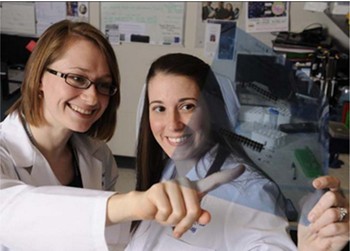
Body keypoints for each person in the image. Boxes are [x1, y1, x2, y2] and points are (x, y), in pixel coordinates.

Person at [0, 20, 242, 251]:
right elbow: (9, 212)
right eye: (77, 78)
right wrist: (134, 203)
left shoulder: (98, 154)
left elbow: (103, 236)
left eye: (103, 85)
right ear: (39, 76)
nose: (93, 98)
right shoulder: (5, 150)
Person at [128, 53, 349, 251]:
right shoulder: (168, 166)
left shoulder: (248, 191)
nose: (172, 124)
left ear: (213, 111)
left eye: (187, 106)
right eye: (159, 108)